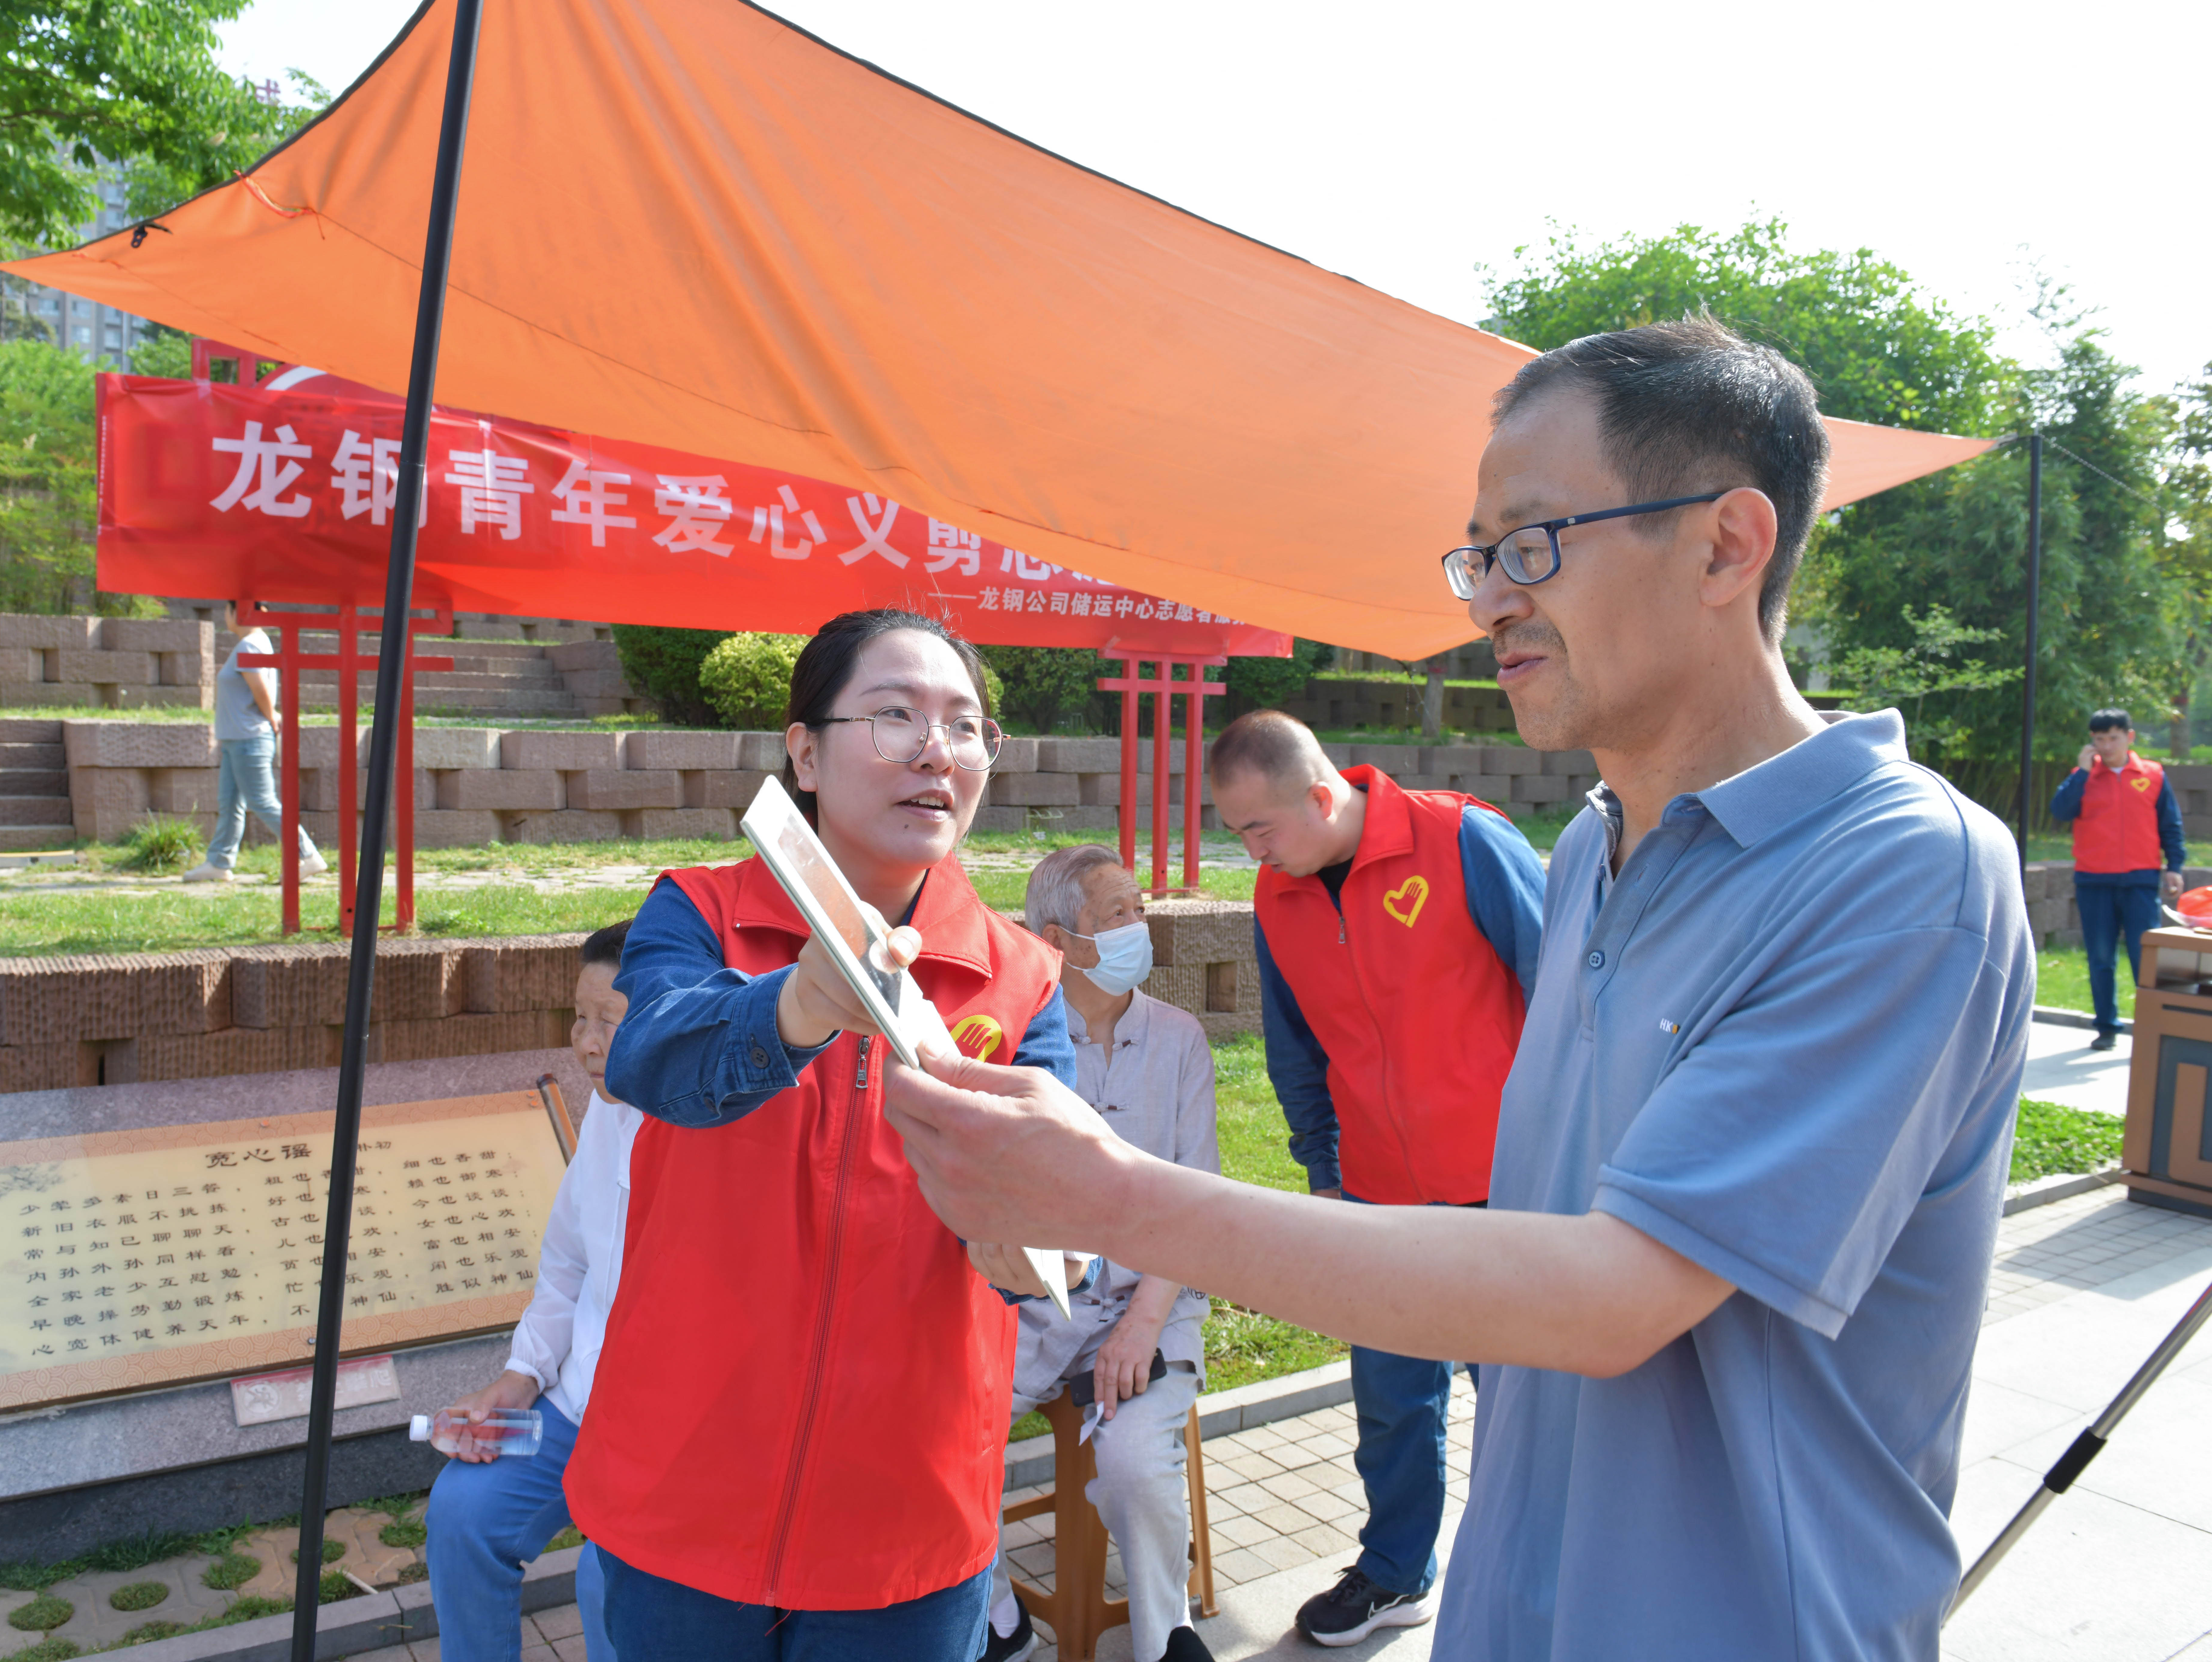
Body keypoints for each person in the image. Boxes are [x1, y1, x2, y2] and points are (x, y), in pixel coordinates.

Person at [877, 317, 2034, 1661]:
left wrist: (1111, 1195)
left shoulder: (1900, 872)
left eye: (1532, 544)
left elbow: (1612, 1296)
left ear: (1726, 545)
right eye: (1477, 556)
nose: (1487, 601)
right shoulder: (1594, 852)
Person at [564, 607, 1079, 1662]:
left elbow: (1051, 1200)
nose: (936, 750)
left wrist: (1045, 1247)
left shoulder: (1022, 976)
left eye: (965, 725)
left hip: (907, 1516)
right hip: (683, 1488)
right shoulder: (697, 911)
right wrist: (796, 1005)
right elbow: (648, 1057)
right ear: (803, 751)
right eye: (894, 716)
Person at [1202, 707, 1541, 1645]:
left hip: (1508, 1189)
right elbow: (1294, 1047)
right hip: (1378, 1195)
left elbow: (1569, 990)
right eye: (1237, 831)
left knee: (1526, 1406)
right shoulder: (1278, 895)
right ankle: (1396, 1571)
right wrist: (1323, 1167)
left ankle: (1542, 1568)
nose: (1250, 850)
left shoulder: (1463, 840)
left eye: (1258, 827)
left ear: (1321, 797)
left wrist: (1565, 1154)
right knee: (1392, 1402)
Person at [984, 843, 1220, 1662]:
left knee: (1131, 1463)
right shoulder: (1020, 1041)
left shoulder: (1179, 1039)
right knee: (940, 1437)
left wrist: (1143, 1324)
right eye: (1117, 913)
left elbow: (1198, 1202)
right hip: (1037, 1304)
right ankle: (997, 1617)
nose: (1138, 925)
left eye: (1138, 908)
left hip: (1155, 1298)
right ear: (1058, 940)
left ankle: (1167, 1638)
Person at [425, 918, 636, 1662]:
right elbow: (567, 1265)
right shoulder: (607, 1111)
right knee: (463, 1514)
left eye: (609, 1021)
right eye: (579, 1017)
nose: (586, 1043)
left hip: (665, 1432)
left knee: (607, 1579)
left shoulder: (717, 1136)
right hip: (578, 1404)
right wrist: (520, 1378)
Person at [2050, 708, 2186, 1051]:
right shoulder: (2082, 777)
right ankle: (2107, 1027)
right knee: (2101, 957)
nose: (2107, 746)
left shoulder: (2153, 775)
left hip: (2141, 880)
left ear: (2130, 737)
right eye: (2100, 739)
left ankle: (2152, 1030)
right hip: (2094, 880)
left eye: (2114, 738)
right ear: (2092, 741)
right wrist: (2082, 772)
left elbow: (2170, 825)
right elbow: (2061, 811)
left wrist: (2175, 866)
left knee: (2146, 958)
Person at [185, 602, 326, 881]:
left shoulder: (251, 645)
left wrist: (271, 715)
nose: (225, 616)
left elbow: (259, 687)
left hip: (249, 739)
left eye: (227, 610)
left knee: (263, 802)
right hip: (237, 739)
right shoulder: (254, 643)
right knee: (230, 804)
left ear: (237, 613)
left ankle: (307, 855)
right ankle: (219, 863)